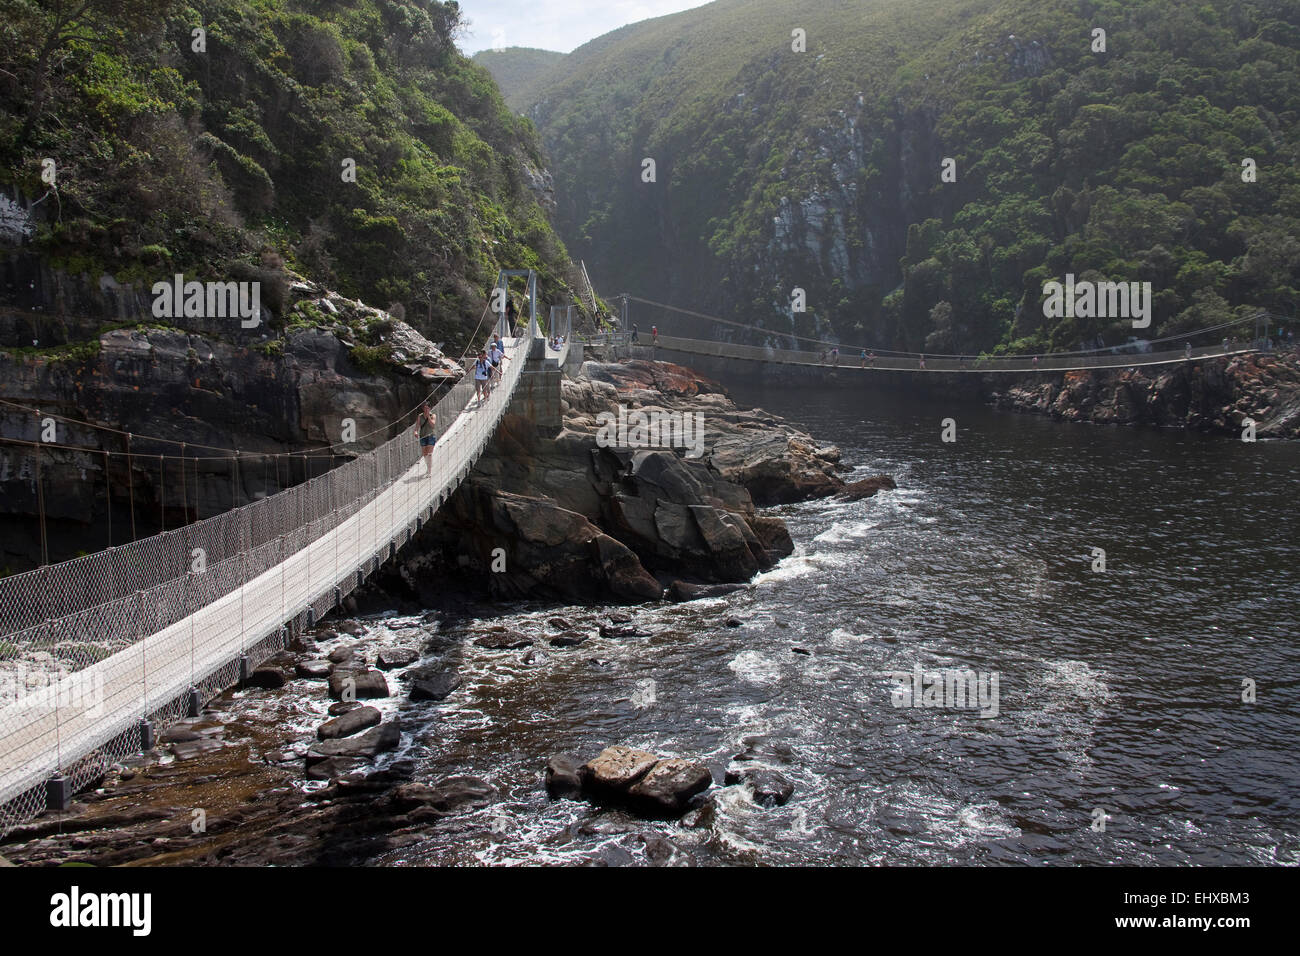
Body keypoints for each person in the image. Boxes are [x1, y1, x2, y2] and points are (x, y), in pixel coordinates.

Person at [414, 403, 438, 475]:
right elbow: (416, 427)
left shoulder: (433, 415)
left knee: (429, 454)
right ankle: (428, 467)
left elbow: (433, 425)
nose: (426, 409)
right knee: (425, 454)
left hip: (431, 436)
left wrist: (428, 417)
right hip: (423, 436)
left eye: (427, 408)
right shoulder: (420, 416)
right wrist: (415, 432)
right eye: (425, 408)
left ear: (430, 408)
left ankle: (429, 471)